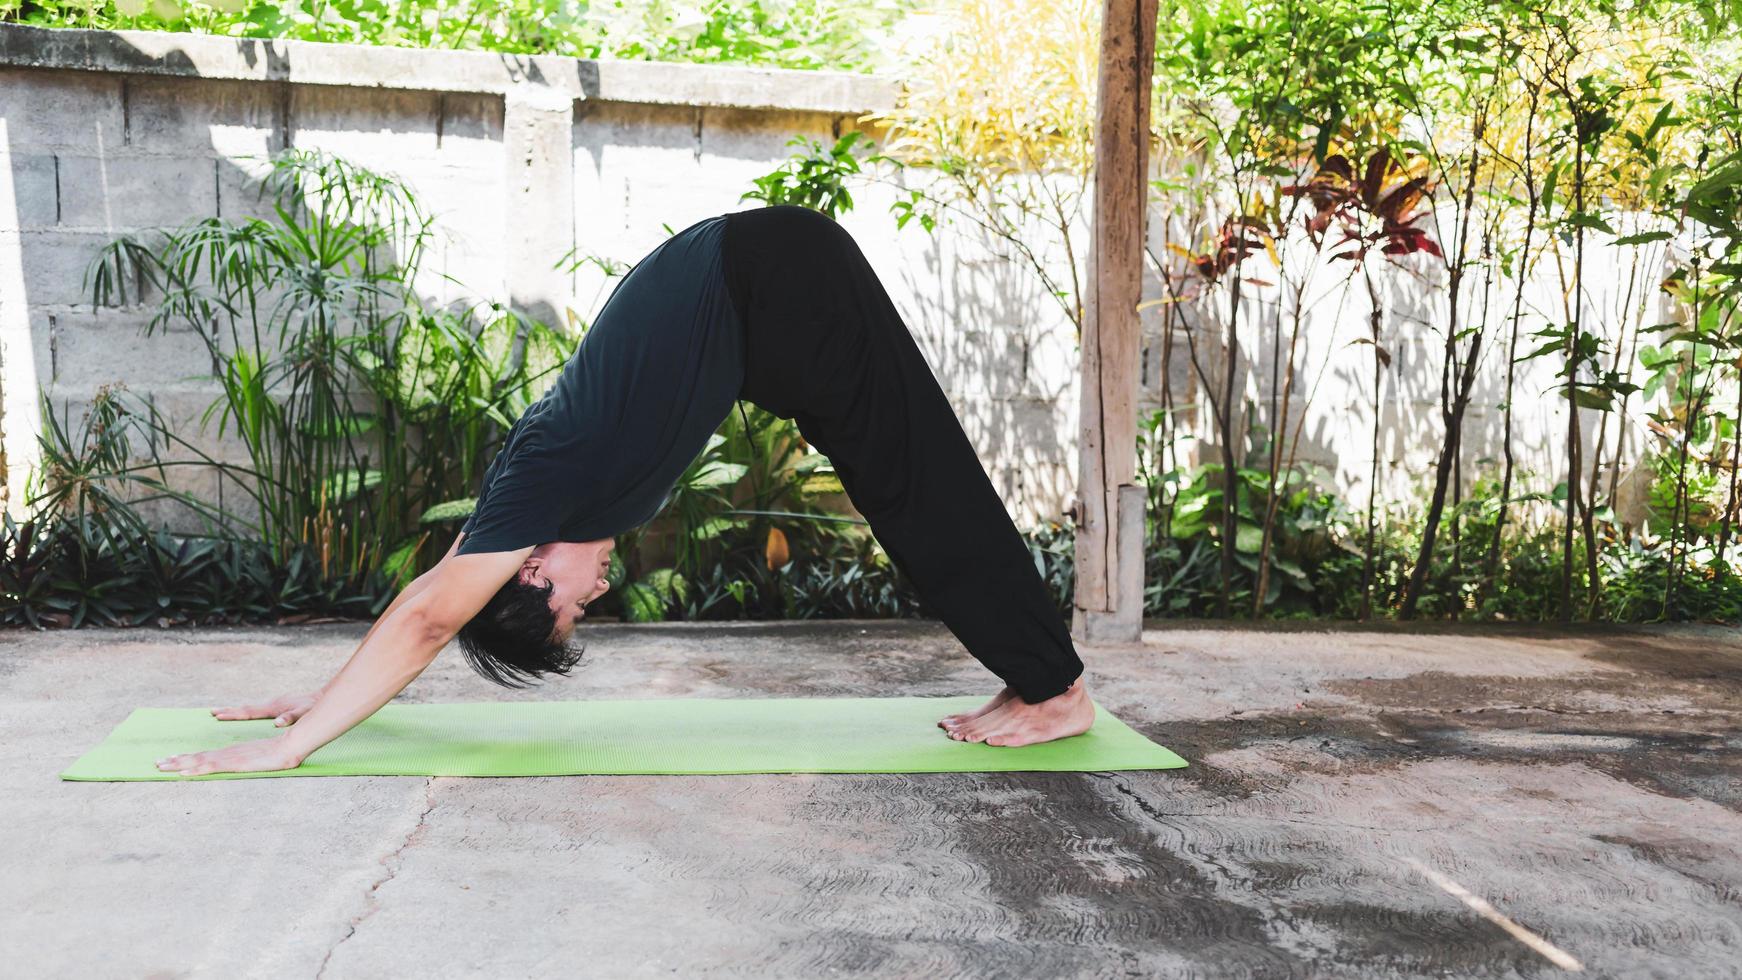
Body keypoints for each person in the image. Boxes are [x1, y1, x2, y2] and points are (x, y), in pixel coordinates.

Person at [154, 206, 1094, 778]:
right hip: (761, 306)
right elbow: (428, 596)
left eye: (571, 605)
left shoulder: (549, 481)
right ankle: (1034, 675)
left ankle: (1055, 692)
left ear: (527, 573)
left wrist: (292, 747)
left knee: (914, 481)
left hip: (776, 282)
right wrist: (319, 700)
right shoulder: (532, 504)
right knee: (904, 479)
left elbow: (433, 618)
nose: (598, 593)